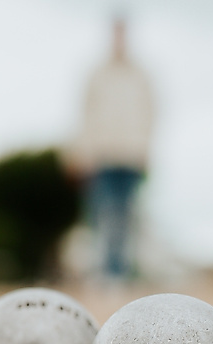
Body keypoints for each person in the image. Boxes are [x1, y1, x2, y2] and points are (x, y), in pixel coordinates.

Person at [68, 16, 156, 280]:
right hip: (102, 154)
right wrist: (80, 151)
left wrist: (144, 150)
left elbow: (150, 114)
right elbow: (85, 115)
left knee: (127, 215)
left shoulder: (141, 75)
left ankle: (121, 271)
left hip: (131, 155)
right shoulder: (97, 74)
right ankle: (104, 271)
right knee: (102, 213)